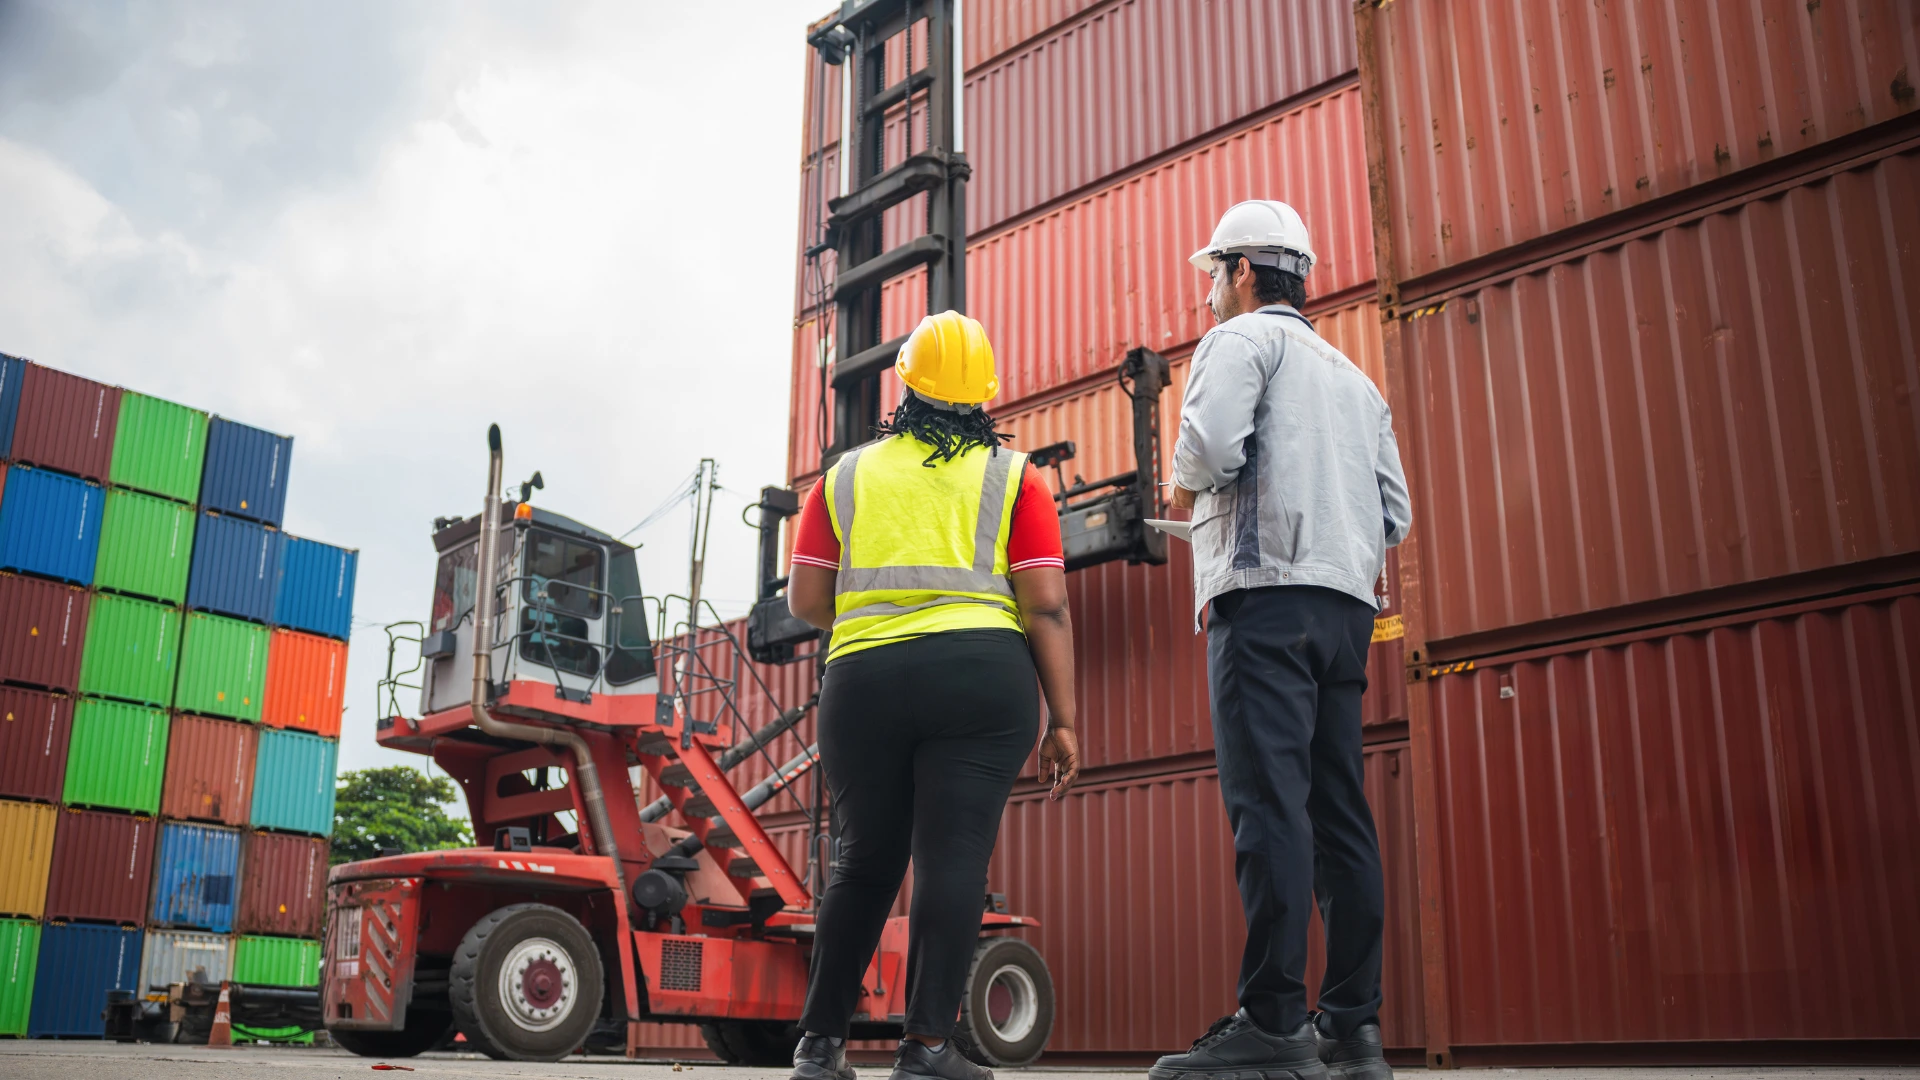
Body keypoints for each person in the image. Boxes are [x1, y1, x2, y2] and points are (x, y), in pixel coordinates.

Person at [783, 310, 1083, 1080]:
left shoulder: (842, 477)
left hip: (864, 680)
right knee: (952, 859)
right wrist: (1065, 720)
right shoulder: (1016, 478)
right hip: (981, 677)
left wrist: (871, 623)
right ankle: (926, 1049)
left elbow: (805, 601)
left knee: (863, 862)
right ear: (984, 393)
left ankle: (819, 1049)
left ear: (905, 382)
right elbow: (1045, 603)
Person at [1149, 201, 1412, 1080]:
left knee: (1270, 806)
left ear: (1245, 272)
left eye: (1213, 275)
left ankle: (1273, 1020)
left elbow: (1212, 449)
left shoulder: (1238, 343)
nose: (1208, 296)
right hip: (1344, 611)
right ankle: (1355, 1029)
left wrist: (1189, 479)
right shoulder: (1355, 378)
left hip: (1263, 599)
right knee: (1340, 811)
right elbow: (1396, 515)